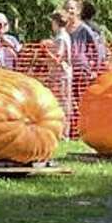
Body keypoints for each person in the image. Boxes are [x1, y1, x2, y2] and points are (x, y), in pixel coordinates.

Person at [62, 0, 105, 85]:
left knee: (80, 95)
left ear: (78, 11)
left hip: (81, 68)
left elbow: (97, 48)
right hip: (67, 67)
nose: (69, 11)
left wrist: (95, 69)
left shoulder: (84, 29)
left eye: (71, 8)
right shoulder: (63, 29)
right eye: (66, 9)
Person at [44, 9, 73, 138]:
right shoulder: (62, 36)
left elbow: (58, 58)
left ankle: (63, 133)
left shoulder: (61, 38)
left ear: (56, 22)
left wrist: (45, 50)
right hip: (60, 74)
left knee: (62, 102)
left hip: (61, 75)